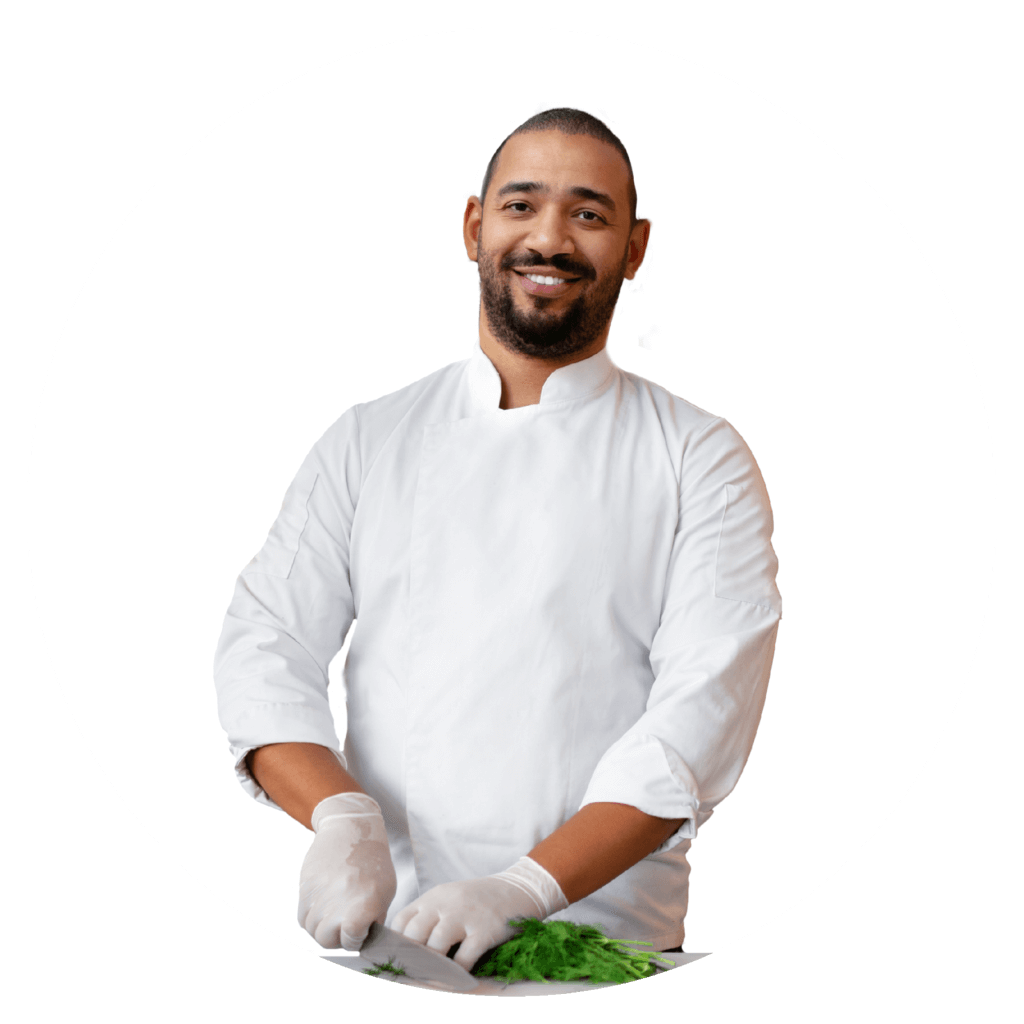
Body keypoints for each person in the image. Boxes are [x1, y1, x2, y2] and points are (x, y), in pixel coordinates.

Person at [214, 108, 782, 971]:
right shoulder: (371, 438)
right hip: (392, 938)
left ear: (635, 248)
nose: (549, 238)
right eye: (522, 206)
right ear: (476, 227)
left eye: (589, 215)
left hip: (609, 944)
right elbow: (266, 647)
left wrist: (523, 888)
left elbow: (698, 720)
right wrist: (343, 818)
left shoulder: (698, 455)